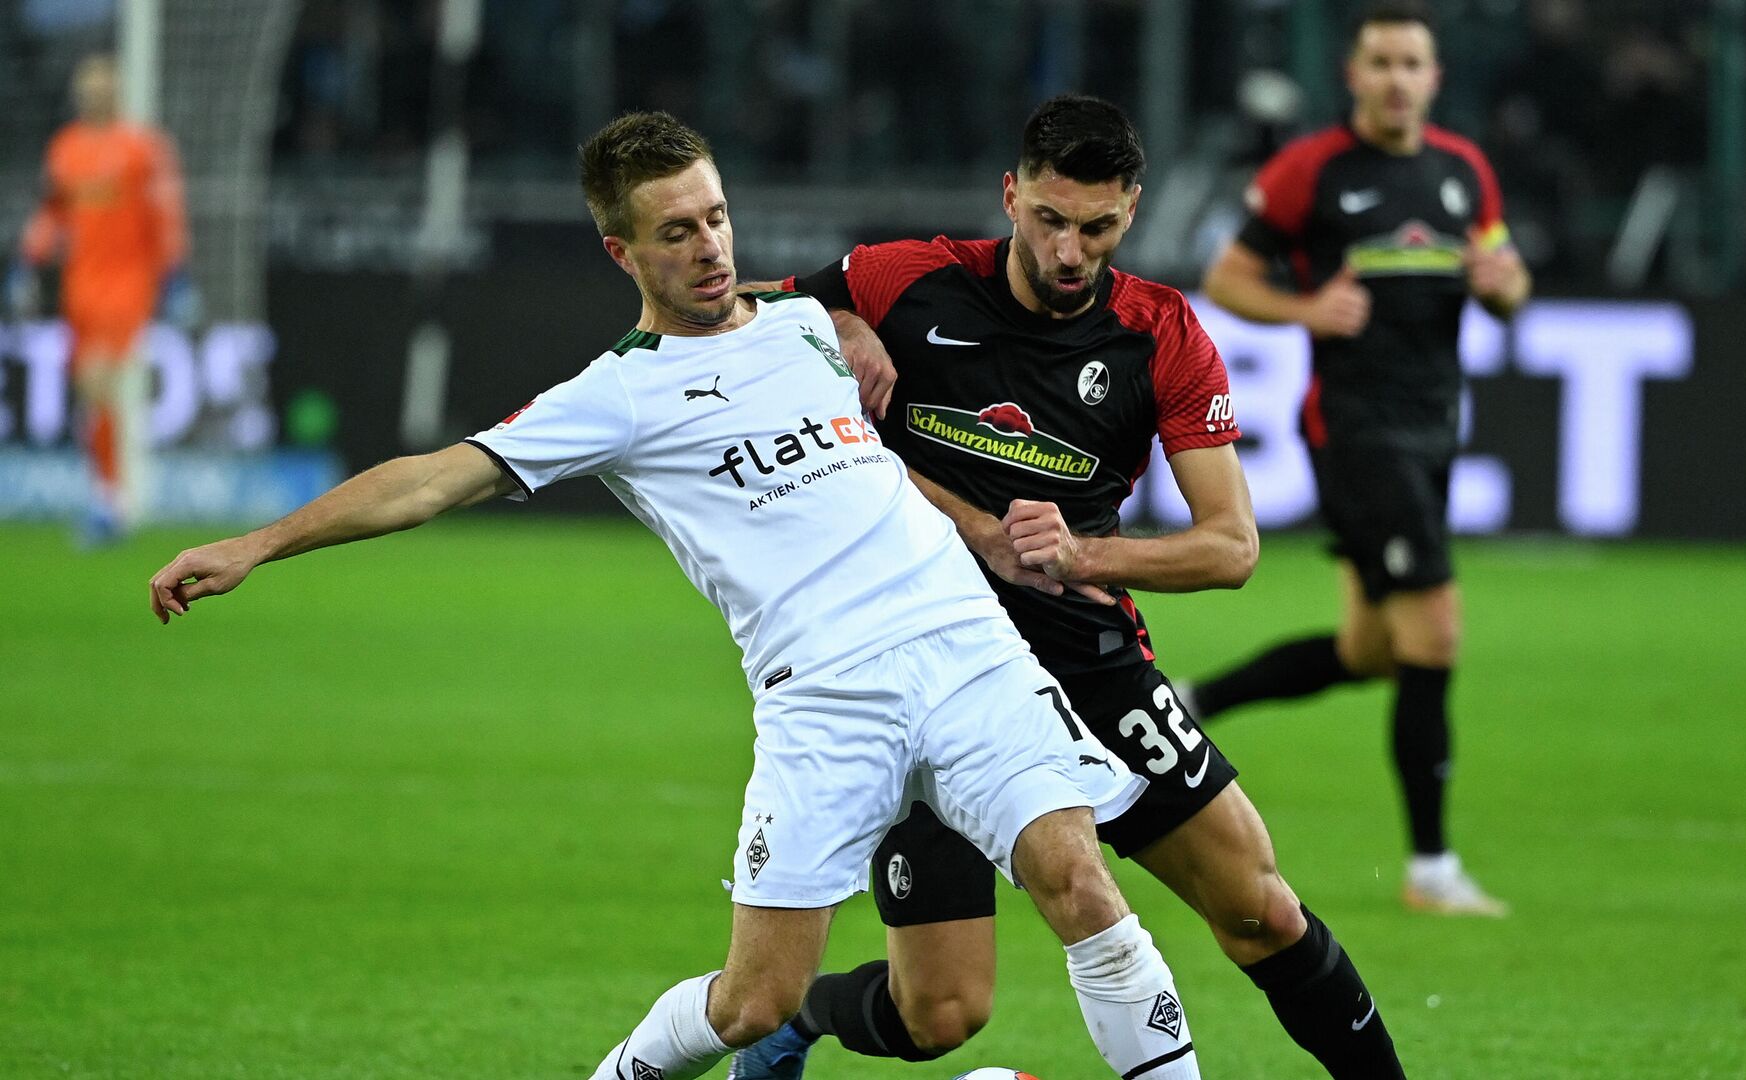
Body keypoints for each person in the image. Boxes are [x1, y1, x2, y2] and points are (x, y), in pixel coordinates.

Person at [146, 111, 1204, 1080]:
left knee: (1083, 890)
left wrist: (848, 324)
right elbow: (433, 478)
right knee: (756, 1001)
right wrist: (259, 542)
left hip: (969, 647)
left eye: (718, 218)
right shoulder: (619, 395)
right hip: (827, 699)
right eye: (676, 233)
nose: (709, 248)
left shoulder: (803, 325)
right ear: (623, 252)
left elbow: (864, 315)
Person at [732, 95, 1403, 1080]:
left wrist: (1083, 558)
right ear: (1011, 197)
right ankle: (806, 1022)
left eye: (1096, 227)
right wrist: (831, 321)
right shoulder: (902, 282)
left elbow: (1231, 547)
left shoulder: (1159, 333)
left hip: (1083, 660)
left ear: (1129, 212)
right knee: (943, 1015)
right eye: (1048, 220)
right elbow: (721, 315)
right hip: (922, 671)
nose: (1068, 250)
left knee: (1259, 906)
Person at [1182, 2, 1531, 917]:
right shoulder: (1312, 171)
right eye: (1379, 61)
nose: (1395, 78)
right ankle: (1432, 868)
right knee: (1438, 631)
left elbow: (1508, 276)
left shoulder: (1463, 174)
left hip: (1433, 427)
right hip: (1355, 429)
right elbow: (1227, 277)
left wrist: (1506, 288)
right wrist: (1305, 312)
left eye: (1411, 62)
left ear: (1434, 78)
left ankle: (1195, 695)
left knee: (1371, 651)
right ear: (1355, 74)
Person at [9, 54, 194, 544]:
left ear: (116, 92)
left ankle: (109, 501)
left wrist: (175, 275)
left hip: (129, 281)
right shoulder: (64, 148)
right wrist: (28, 263)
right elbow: (51, 212)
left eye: (103, 88)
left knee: (97, 379)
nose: (94, 96)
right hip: (80, 285)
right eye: (87, 89)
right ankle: (108, 496)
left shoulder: (142, 148)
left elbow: (165, 212)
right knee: (93, 395)